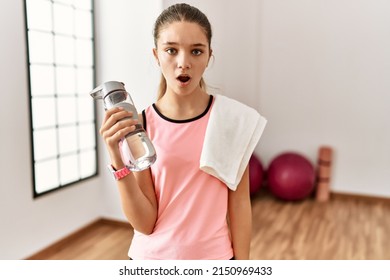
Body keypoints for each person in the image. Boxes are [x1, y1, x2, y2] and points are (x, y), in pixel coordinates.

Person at [99, 3, 264, 260]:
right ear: (156, 55)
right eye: (171, 50)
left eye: (196, 51)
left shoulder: (230, 121)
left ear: (209, 56)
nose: (183, 63)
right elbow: (145, 224)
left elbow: (240, 203)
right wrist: (116, 158)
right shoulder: (140, 126)